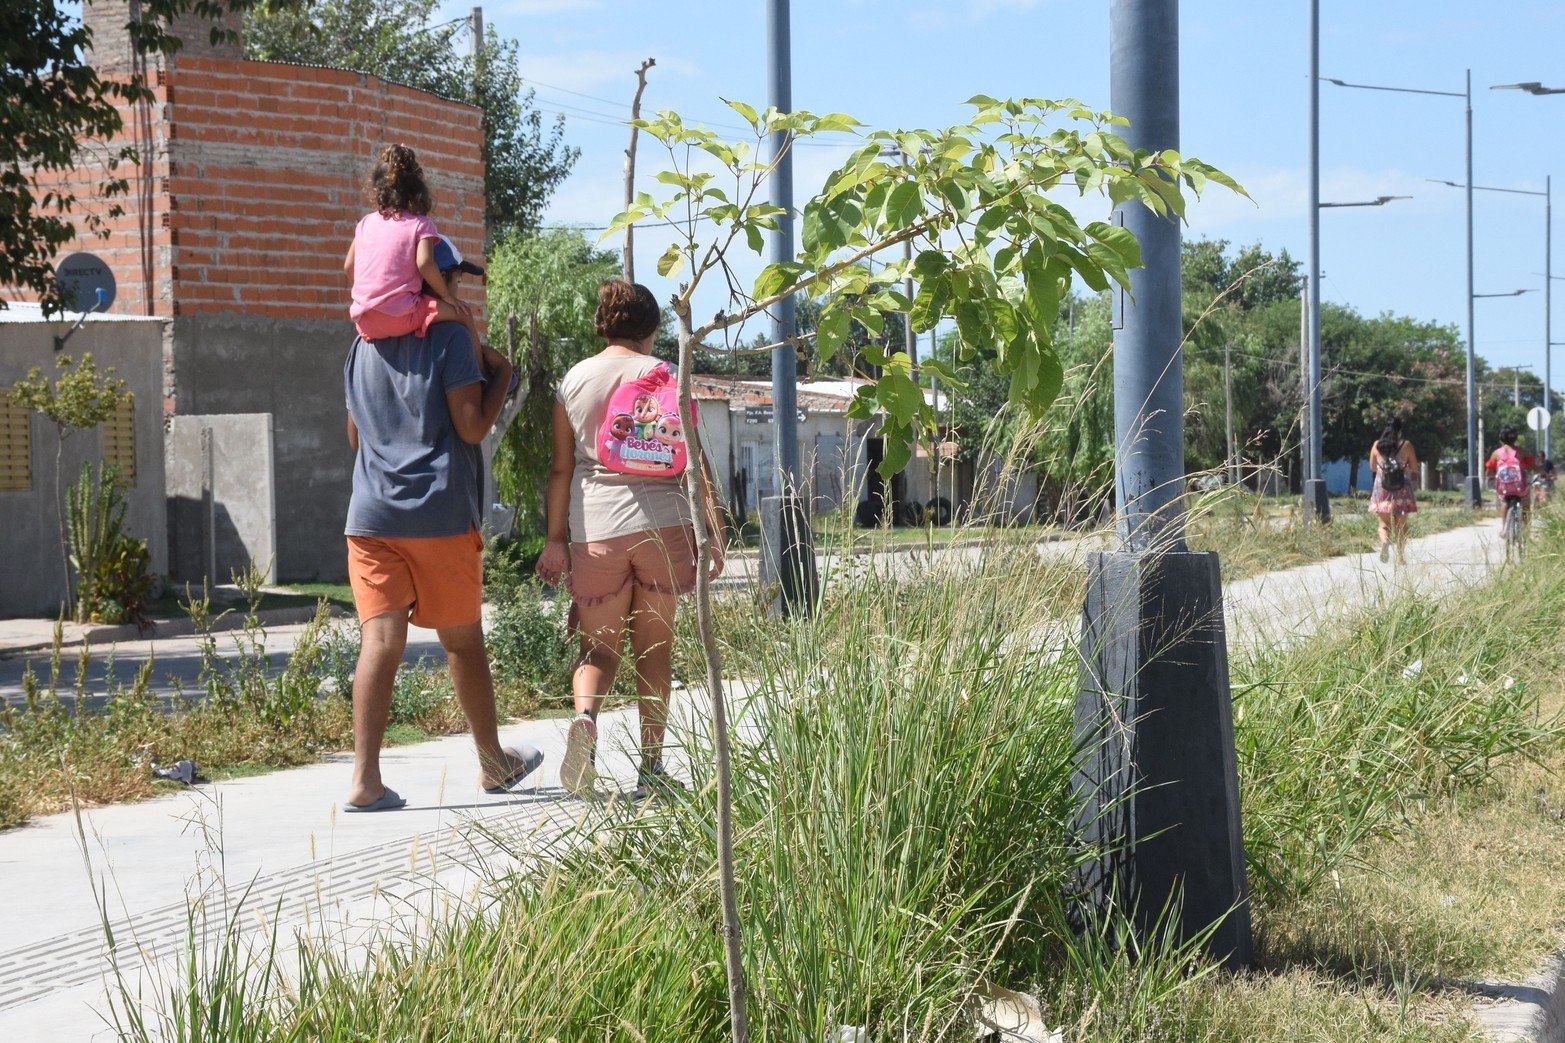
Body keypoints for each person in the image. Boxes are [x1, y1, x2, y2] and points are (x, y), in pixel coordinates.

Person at [340, 263, 541, 812]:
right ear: (436, 283)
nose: (458, 291)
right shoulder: (451, 337)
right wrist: (502, 376)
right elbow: (473, 427)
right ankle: (493, 763)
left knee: (379, 643)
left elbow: (356, 436)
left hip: (371, 516)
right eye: (454, 281)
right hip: (439, 513)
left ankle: (365, 779)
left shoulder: (362, 346)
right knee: (461, 640)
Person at [535, 280, 724, 798]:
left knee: (598, 649)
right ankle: (651, 769)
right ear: (651, 328)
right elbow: (696, 462)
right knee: (655, 651)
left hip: (596, 528)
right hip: (665, 527)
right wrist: (715, 528)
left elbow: (559, 469)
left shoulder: (574, 381)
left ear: (602, 324)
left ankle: (586, 721)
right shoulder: (666, 375)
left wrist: (555, 540)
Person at [345, 144, 483, 371]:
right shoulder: (421, 224)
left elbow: (349, 265)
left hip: (365, 322)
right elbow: (425, 263)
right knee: (465, 315)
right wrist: (447, 295)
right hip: (401, 316)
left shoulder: (365, 223)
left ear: (377, 189)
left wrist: (367, 296)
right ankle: (482, 378)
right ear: (418, 189)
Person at [1367, 418, 1418, 563]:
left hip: (1382, 487)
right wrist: (1405, 467)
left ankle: (1384, 543)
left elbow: (1372, 467)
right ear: (1400, 431)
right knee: (1401, 526)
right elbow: (1414, 468)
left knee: (1383, 526)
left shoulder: (1377, 445)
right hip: (1402, 487)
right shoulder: (1406, 445)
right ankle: (1400, 557)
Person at [1485, 426, 1536, 524]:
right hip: (1520, 488)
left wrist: (1495, 475)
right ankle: (1525, 530)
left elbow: (1488, 472)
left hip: (1503, 488)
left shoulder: (1496, 454)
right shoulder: (1523, 452)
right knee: (1525, 503)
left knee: (1504, 502)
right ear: (1515, 437)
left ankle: (1504, 529)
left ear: (1501, 437)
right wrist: (1543, 473)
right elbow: (1533, 466)